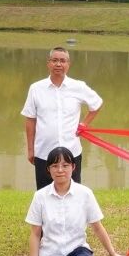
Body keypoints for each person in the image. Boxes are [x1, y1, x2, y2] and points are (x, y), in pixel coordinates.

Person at [26, 146, 128, 256]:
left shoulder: (85, 194)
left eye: (65, 165)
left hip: (76, 252)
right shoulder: (40, 197)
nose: (60, 170)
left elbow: (97, 227)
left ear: (73, 167)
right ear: (48, 169)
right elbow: (35, 234)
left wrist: (113, 254)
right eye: (55, 166)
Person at [21, 46, 103, 190]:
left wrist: (84, 124)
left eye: (62, 61)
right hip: (43, 152)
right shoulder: (36, 88)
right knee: (45, 194)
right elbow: (30, 119)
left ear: (68, 64)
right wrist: (30, 150)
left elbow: (96, 104)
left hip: (71, 152)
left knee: (73, 194)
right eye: (54, 60)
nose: (58, 64)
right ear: (48, 63)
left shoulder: (78, 86)